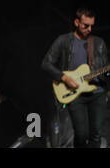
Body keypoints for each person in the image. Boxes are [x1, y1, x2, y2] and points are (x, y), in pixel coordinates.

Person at [41, 8, 109, 148]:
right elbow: (46, 64)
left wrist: (107, 77)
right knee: (81, 134)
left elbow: (105, 70)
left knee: (96, 134)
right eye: (86, 25)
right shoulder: (63, 40)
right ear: (77, 22)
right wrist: (63, 77)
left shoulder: (99, 43)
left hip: (97, 93)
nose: (89, 29)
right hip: (75, 94)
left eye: (92, 25)